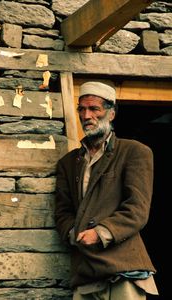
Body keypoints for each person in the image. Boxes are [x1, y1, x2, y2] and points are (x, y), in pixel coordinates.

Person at [55, 81, 159, 300]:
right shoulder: (68, 162)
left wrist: (101, 233)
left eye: (94, 109)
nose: (86, 115)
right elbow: (62, 211)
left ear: (111, 114)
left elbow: (137, 210)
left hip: (124, 269)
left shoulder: (134, 152)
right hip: (85, 271)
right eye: (82, 109)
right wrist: (74, 235)